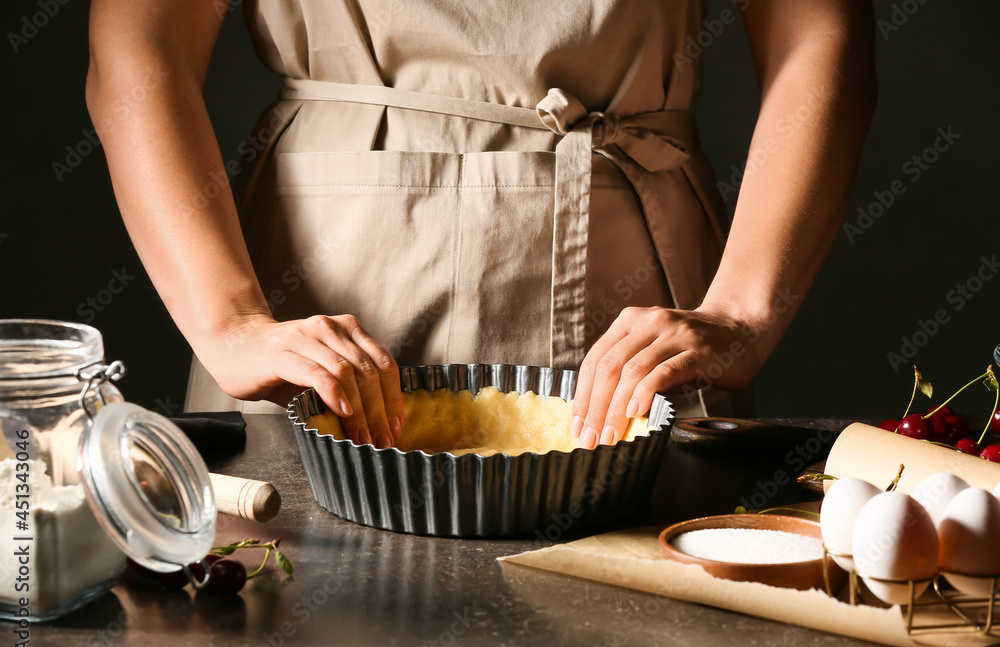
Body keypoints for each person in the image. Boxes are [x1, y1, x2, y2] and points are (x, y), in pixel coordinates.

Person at [86, 0, 876, 451]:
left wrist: (739, 310)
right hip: (312, 297)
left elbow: (821, 33)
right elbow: (136, 41)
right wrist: (231, 322)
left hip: (635, 302)